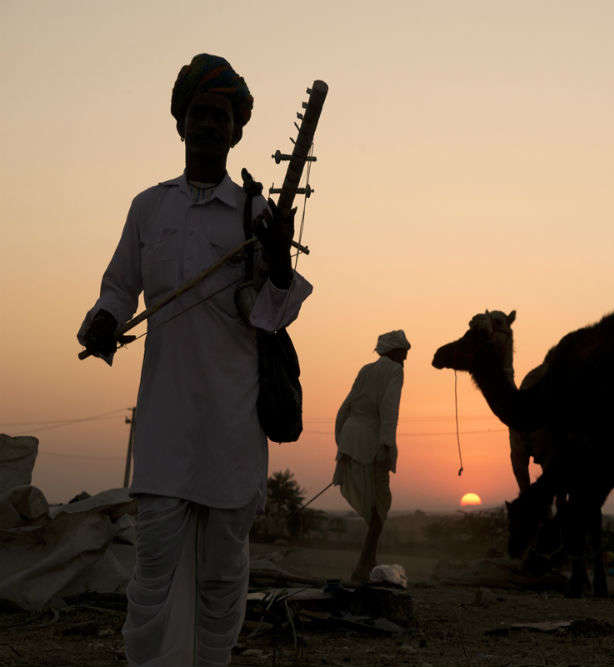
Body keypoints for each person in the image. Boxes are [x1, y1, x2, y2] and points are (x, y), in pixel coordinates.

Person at [77, 54, 312, 667]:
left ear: (237, 131)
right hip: (163, 422)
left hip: (232, 425)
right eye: (200, 113)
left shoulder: (257, 215)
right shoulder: (148, 208)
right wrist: (103, 318)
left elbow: (275, 315)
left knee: (222, 574)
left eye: (222, 116)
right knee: (152, 570)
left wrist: (279, 262)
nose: (209, 125)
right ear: (180, 122)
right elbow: (117, 286)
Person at [333, 330, 409, 582]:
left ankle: (368, 561)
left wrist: (342, 444)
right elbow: (390, 408)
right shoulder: (395, 371)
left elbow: (345, 407)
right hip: (373, 442)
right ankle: (364, 565)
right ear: (395, 352)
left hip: (350, 438)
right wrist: (385, 445)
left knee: (375, 503)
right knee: (380, 504)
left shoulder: (366, 370)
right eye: (404, 352)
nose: (405, 358)